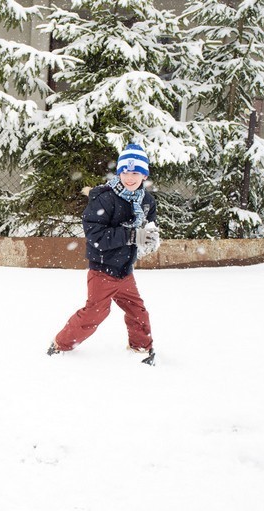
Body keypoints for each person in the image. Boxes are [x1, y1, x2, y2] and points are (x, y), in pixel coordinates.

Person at [47, 143, 160, 365]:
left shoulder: (146, 201)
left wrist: (150, 238)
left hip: (125, 271)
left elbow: (150, 225)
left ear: (144, 174)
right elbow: (95, 235)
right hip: (102, 270)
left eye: (135, 172)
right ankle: (60, 345)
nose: (130, 178)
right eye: (125, 172)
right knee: (95, 313)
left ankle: (141, 348)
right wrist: (132, 236)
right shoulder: (105, 199)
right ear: (119, 173)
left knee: (138, 311)